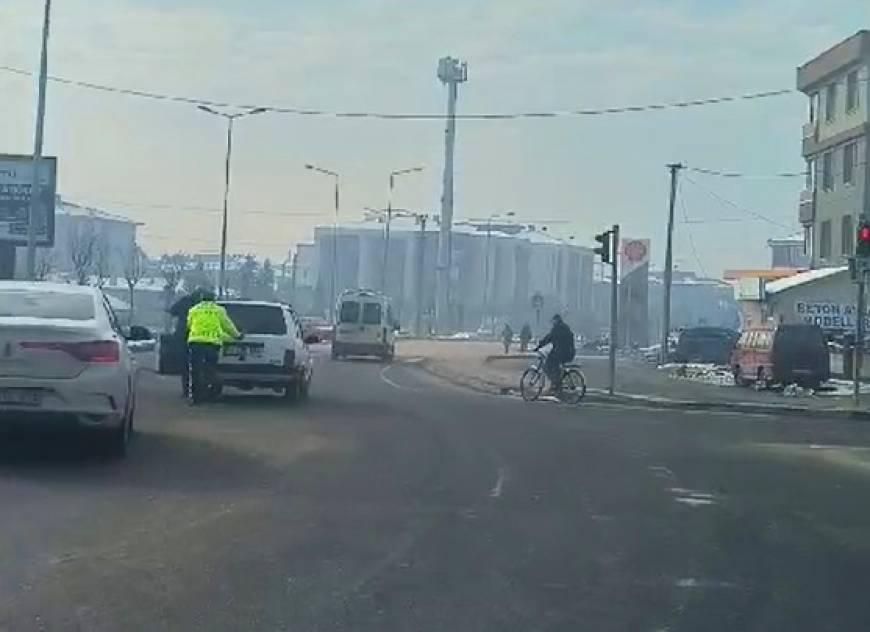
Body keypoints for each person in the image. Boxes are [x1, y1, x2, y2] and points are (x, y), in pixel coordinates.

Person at [186, 289, 242, 404]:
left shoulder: (194, 310)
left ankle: (195, 398)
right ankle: (211, 394)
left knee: (195, 371)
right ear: (214, 299)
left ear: (201, 298)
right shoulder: (218, 310)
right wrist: (237, 336)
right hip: (212, 344)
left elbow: (189, 325)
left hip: (195, 342)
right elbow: (227, 325)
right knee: (210, 370)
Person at [535, 314, 576, 392]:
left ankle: (555, 383)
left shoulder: (556, 328)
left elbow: (549, 338)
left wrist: (539, 346)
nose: (552, 323)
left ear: (555, 320)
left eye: (553, 321)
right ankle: (557, 383)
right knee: (556, 367)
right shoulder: (566, 327)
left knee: (547, 365)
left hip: (560, 352)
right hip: (570, 352)